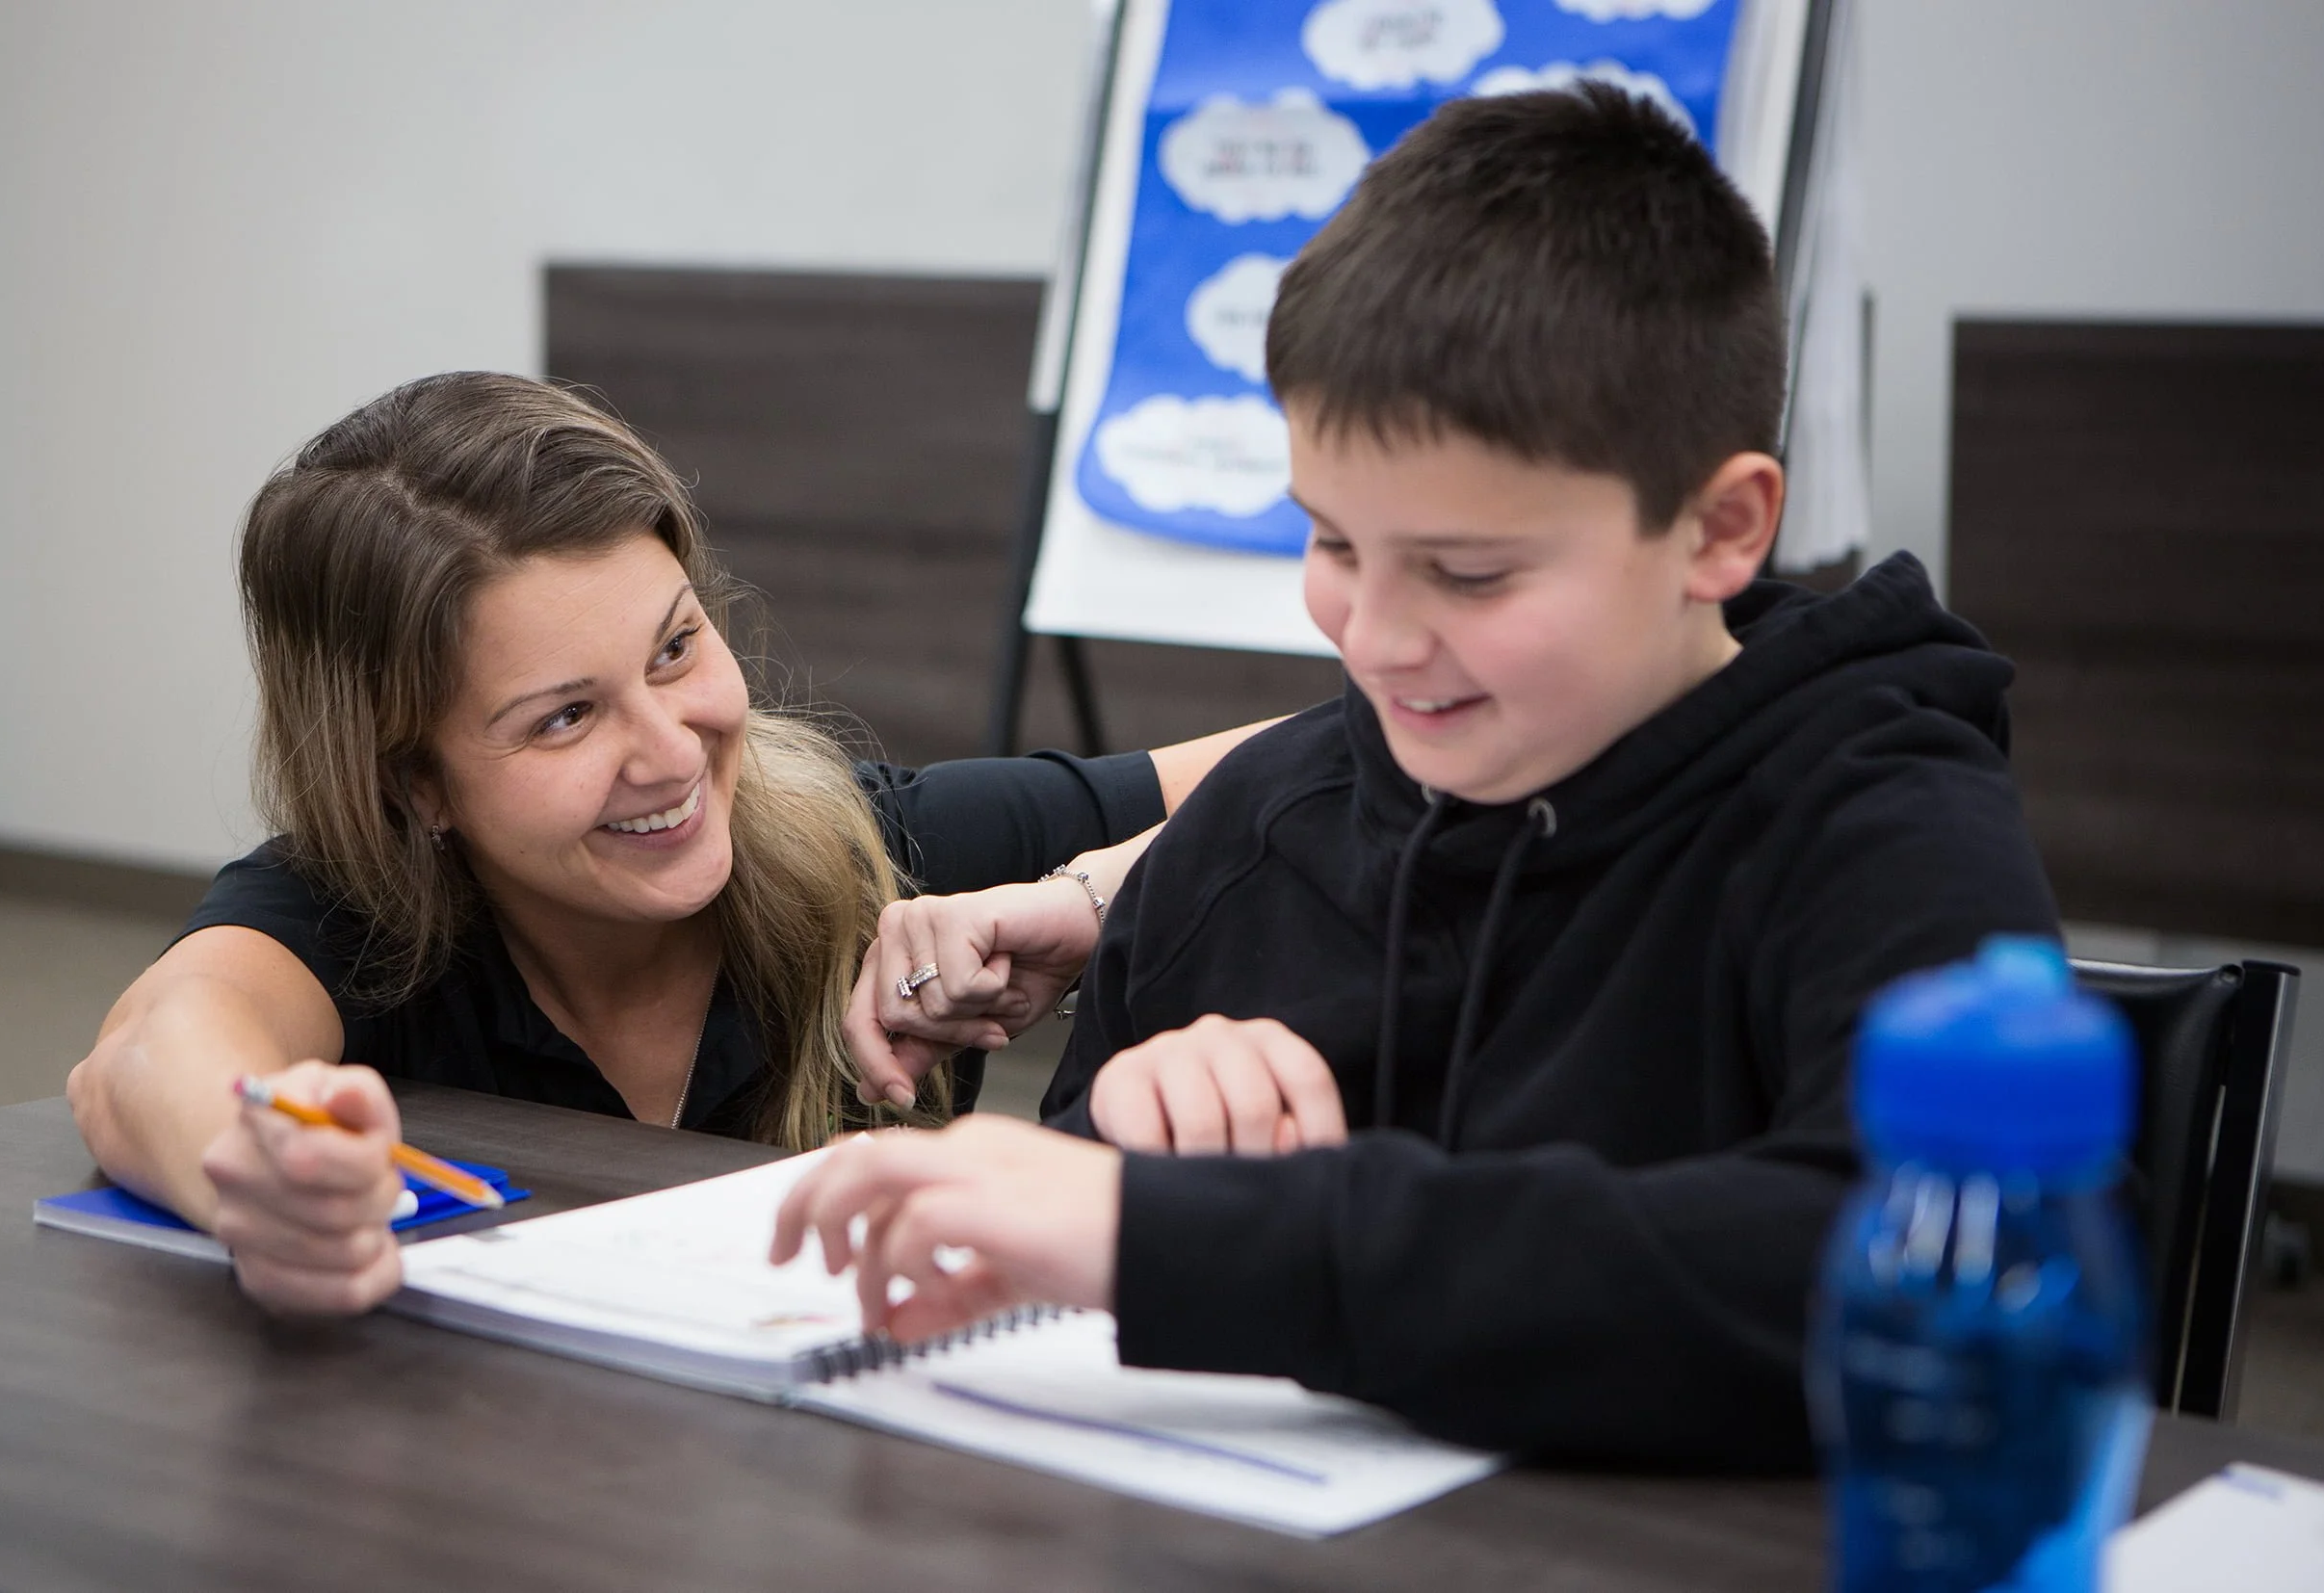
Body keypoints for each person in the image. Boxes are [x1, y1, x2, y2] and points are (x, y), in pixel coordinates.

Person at [773, 85, 2062, 1470]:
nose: (1374, 639)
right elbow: (1089, 1244)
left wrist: (1212, 1234)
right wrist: (1134, 1140)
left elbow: (1935, 1268)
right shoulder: (1252, 833)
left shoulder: (1882, 824)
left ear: (1718, 528)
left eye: (1468, 572)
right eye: (1334, 543)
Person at [67, 373, 1270, 1315]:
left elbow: (1320, 764)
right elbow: (146, 1056)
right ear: (415, 781)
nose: (671, 751)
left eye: (676, 648)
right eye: (565, 717)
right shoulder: (346, 912)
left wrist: (1095, 891)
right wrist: (261, 1169)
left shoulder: (872, 843)